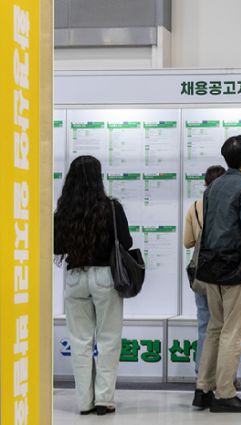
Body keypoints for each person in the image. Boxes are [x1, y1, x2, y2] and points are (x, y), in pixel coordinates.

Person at [54, 155, 133, 416]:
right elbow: (126, 242)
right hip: (105, 277)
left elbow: (56, 247)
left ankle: (84, 402)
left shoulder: (64, 211)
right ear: (98, 178)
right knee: (108, 339)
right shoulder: (111, 207)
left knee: (80, 342)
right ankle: (104, 400)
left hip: (74, 277)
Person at [192, 135, 241, 413]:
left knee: (214, 327)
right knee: (232, 331)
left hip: (210, 265)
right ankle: (224, 393)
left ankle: (203, 389)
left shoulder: (213, 187)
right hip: (235, 266)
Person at [183, 165, 226, 375]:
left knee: (204, 324)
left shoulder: (195, 207)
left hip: (201, 274)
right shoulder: (229, 206)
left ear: (205, 184)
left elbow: (188, 242)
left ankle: (202, 373)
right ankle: (226, 375)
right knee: (225, 326)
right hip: (226, 273)